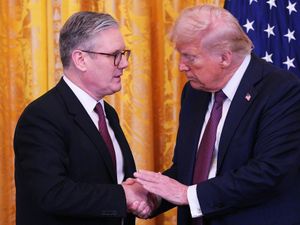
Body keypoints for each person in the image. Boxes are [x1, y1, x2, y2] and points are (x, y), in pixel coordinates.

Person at [134, 4, 300, 225]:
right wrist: (153, 195)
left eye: (190, 57)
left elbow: (267, 173)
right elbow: (189, 168)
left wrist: (187, 195)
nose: (182, 66)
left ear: (224, 58)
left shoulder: (281, 90)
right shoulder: (195, 92)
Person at [14, 11, 152, 225]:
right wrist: (124, 196)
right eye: (115, 55)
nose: (124, 63)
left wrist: (137, 197)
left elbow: (114, 181)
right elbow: (52, 193)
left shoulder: (108, 113)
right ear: (80, 59)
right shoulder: (42, 116)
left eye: (124, 53)